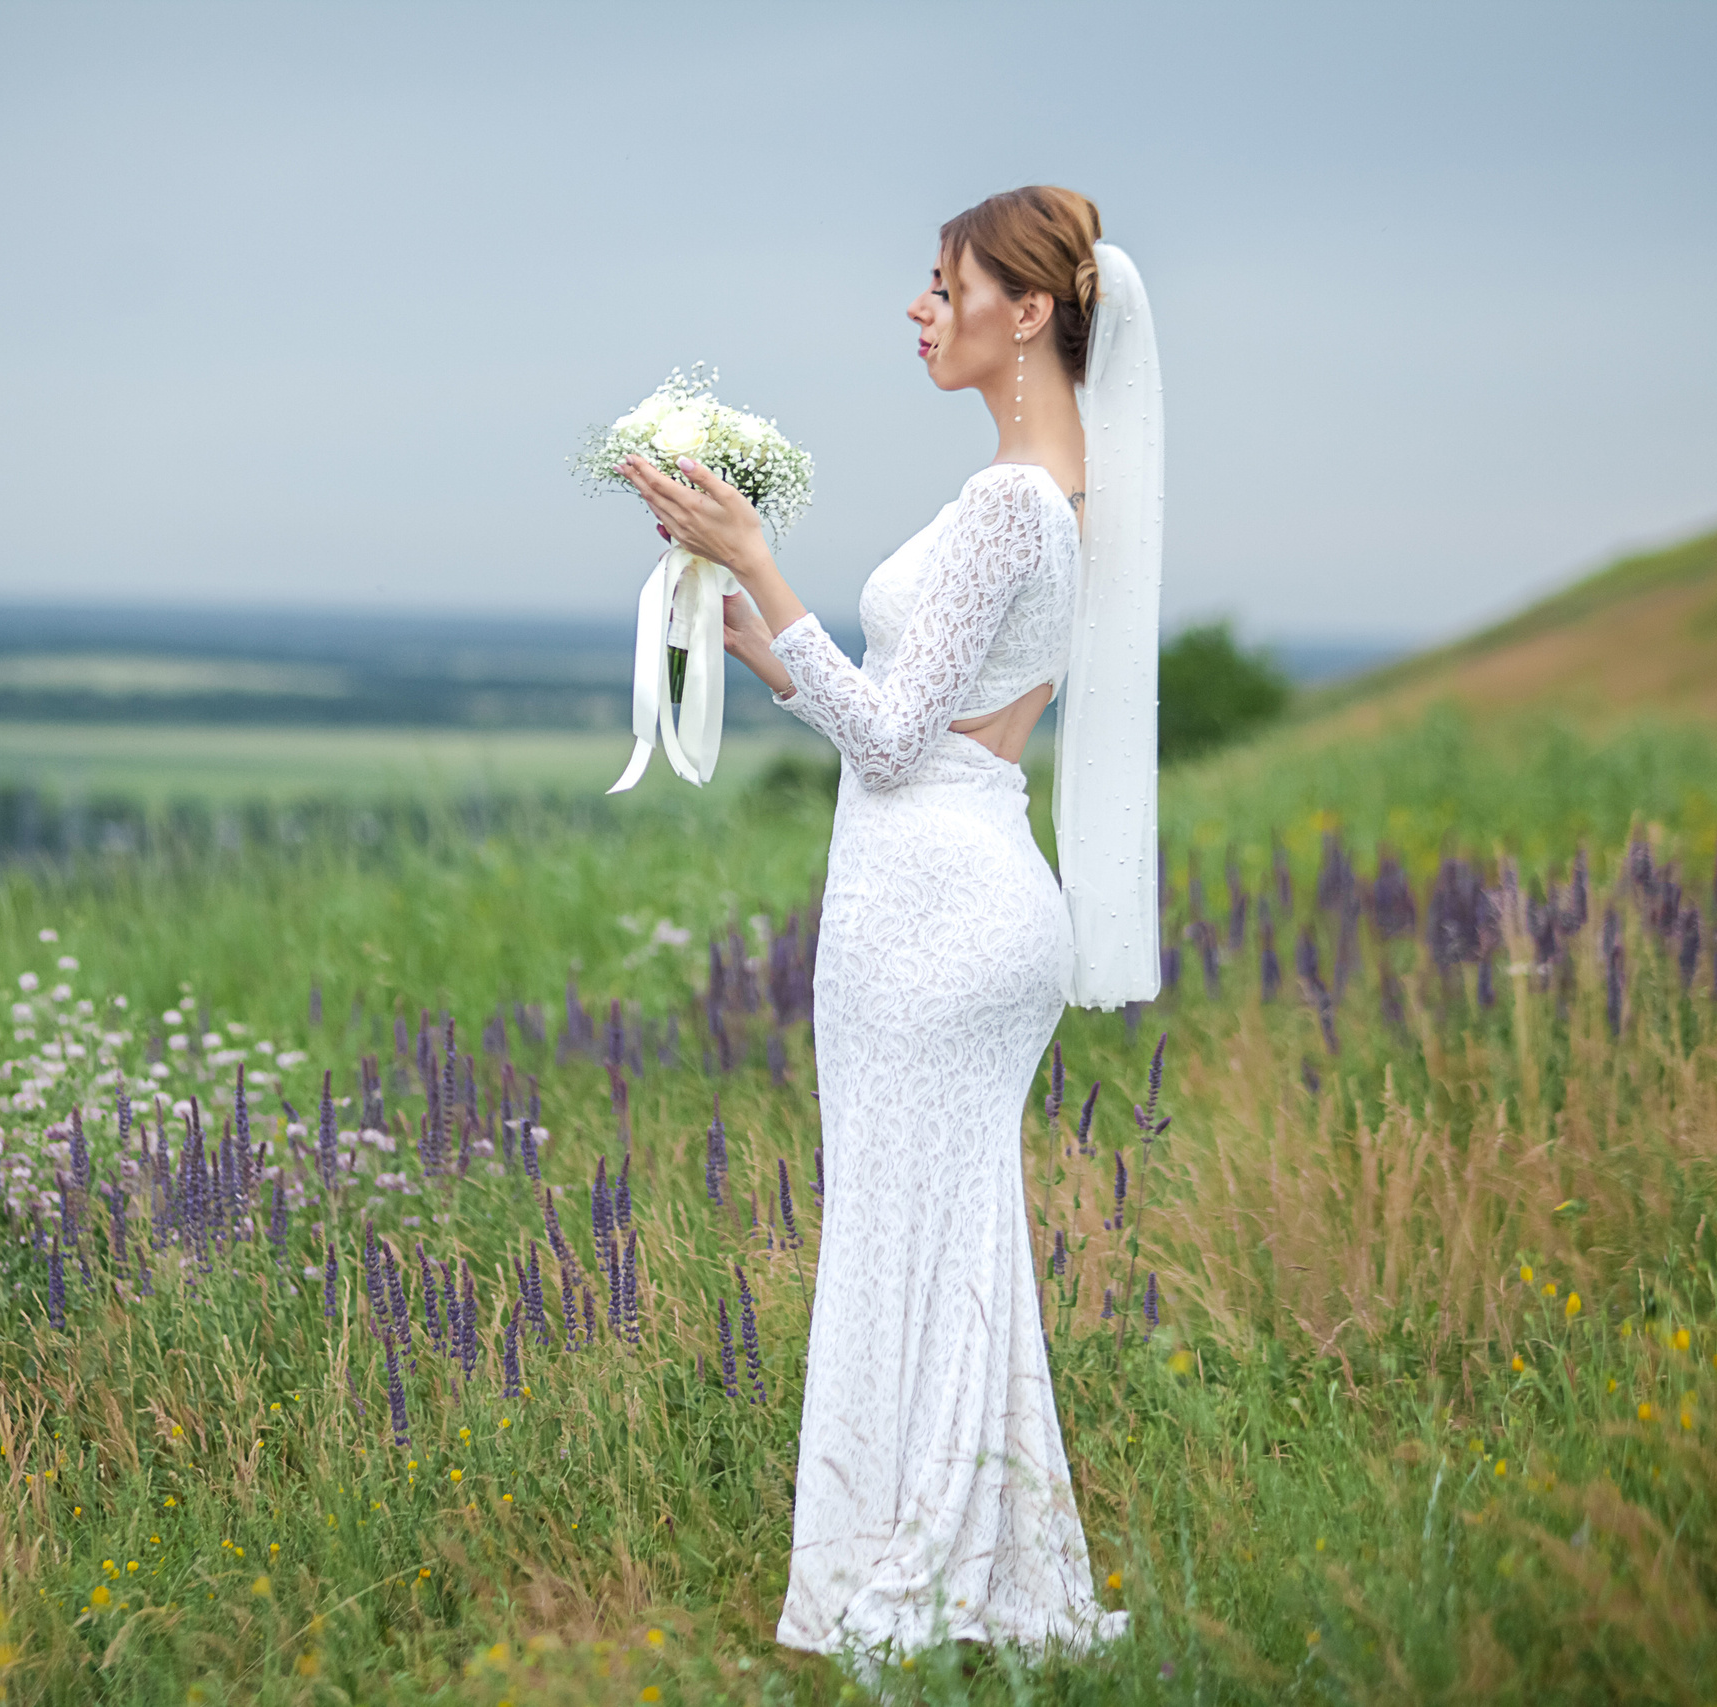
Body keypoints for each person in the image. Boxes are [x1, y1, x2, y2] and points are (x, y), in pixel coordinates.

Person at [617, 183, 1162, 1666]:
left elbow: (899, 738)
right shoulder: (1066, 486)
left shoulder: (1007, 500)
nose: (921, 309)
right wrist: (768, 646)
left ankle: (906, 1589)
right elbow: (920, 716)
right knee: (945, 1247)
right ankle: (976, 1580)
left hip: (936, 912)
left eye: (946, 283)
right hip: (959, 886)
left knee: (901, 1245)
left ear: (1029, 311)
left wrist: (761, 562)